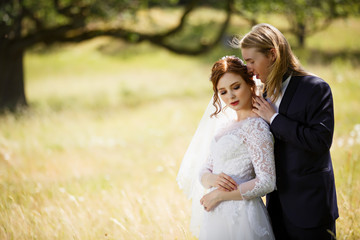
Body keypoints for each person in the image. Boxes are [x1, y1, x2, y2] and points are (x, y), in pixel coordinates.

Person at [237, 23, 339, 240]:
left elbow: (320, 141)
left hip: (310, 206)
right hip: (275, 208)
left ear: (272, 54)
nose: (248, 68)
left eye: (251, 61)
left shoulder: (315, 88)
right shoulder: (262, 94)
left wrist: (273, 118)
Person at [177, 55, 276, 239]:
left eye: (236, 87)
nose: (230, 96)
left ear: (250, 84)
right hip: (216, 216)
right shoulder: (225, 127)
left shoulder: (256, 127)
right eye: (222, 92)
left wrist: (220, 196)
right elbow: (204, 171)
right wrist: (212, 179)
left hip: (242, 215)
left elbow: (266, 182)